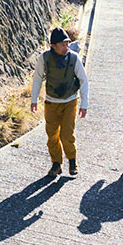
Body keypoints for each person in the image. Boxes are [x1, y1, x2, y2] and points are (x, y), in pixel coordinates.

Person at [31, 27, 88, 178]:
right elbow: (37, 78)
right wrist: (34, 100)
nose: (66, 46)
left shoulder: (74, 58)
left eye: (67, 43)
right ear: (53, 46)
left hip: (70, 101)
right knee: (52, 136)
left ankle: (72, 161)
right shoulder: (44, 58)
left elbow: (83, 80)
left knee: (67, 135)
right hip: (51, 102)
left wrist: (84, 104)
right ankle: (56, 163)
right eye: (62, 44)